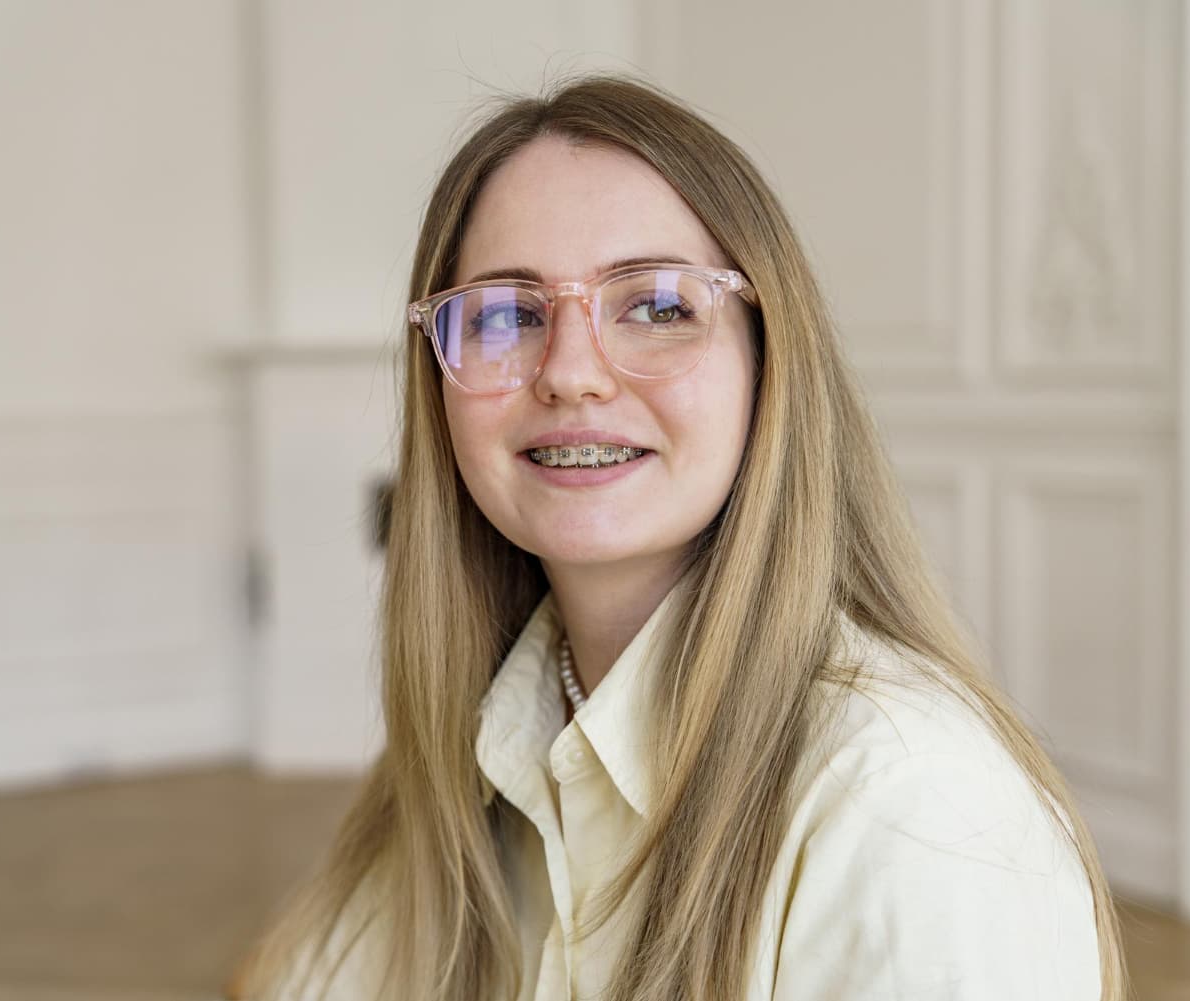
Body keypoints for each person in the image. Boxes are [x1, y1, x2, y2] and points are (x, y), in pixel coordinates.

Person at [237, 73, 1127, 1001]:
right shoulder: (488, 737)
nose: (571, 374)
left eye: (659, 306)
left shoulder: (914, 811)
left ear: (767, 359)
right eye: (507, 313)